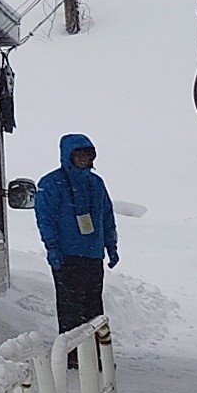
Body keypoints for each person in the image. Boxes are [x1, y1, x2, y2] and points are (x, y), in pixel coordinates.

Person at [34, 133, 121, 330]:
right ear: (67, 156)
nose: (83, 159)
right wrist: (52, 247)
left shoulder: (96, 183)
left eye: (87, 155)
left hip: (93, 255)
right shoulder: (50, 184)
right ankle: (73, 358)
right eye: (78, 155)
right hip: (67, 257)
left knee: (94, 311)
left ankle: (97, 357)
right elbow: (45, 219)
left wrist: (111, 245)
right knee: (70, 311)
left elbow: (107, 216)